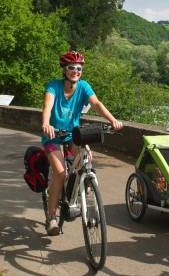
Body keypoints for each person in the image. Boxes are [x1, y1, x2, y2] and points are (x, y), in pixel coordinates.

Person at [40, 50, 123, 236]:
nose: (75, 71)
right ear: (64, 69)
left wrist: (113, 120)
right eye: (71, 68)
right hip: (53, 136)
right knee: (60, 173)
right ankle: (51, 217)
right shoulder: (53, 86)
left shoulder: (84, 86)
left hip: (72, 135)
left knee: (87, 158)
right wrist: (46, 124)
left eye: (78, 68)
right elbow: (48, 106)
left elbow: (97, 104)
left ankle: (76, 190)